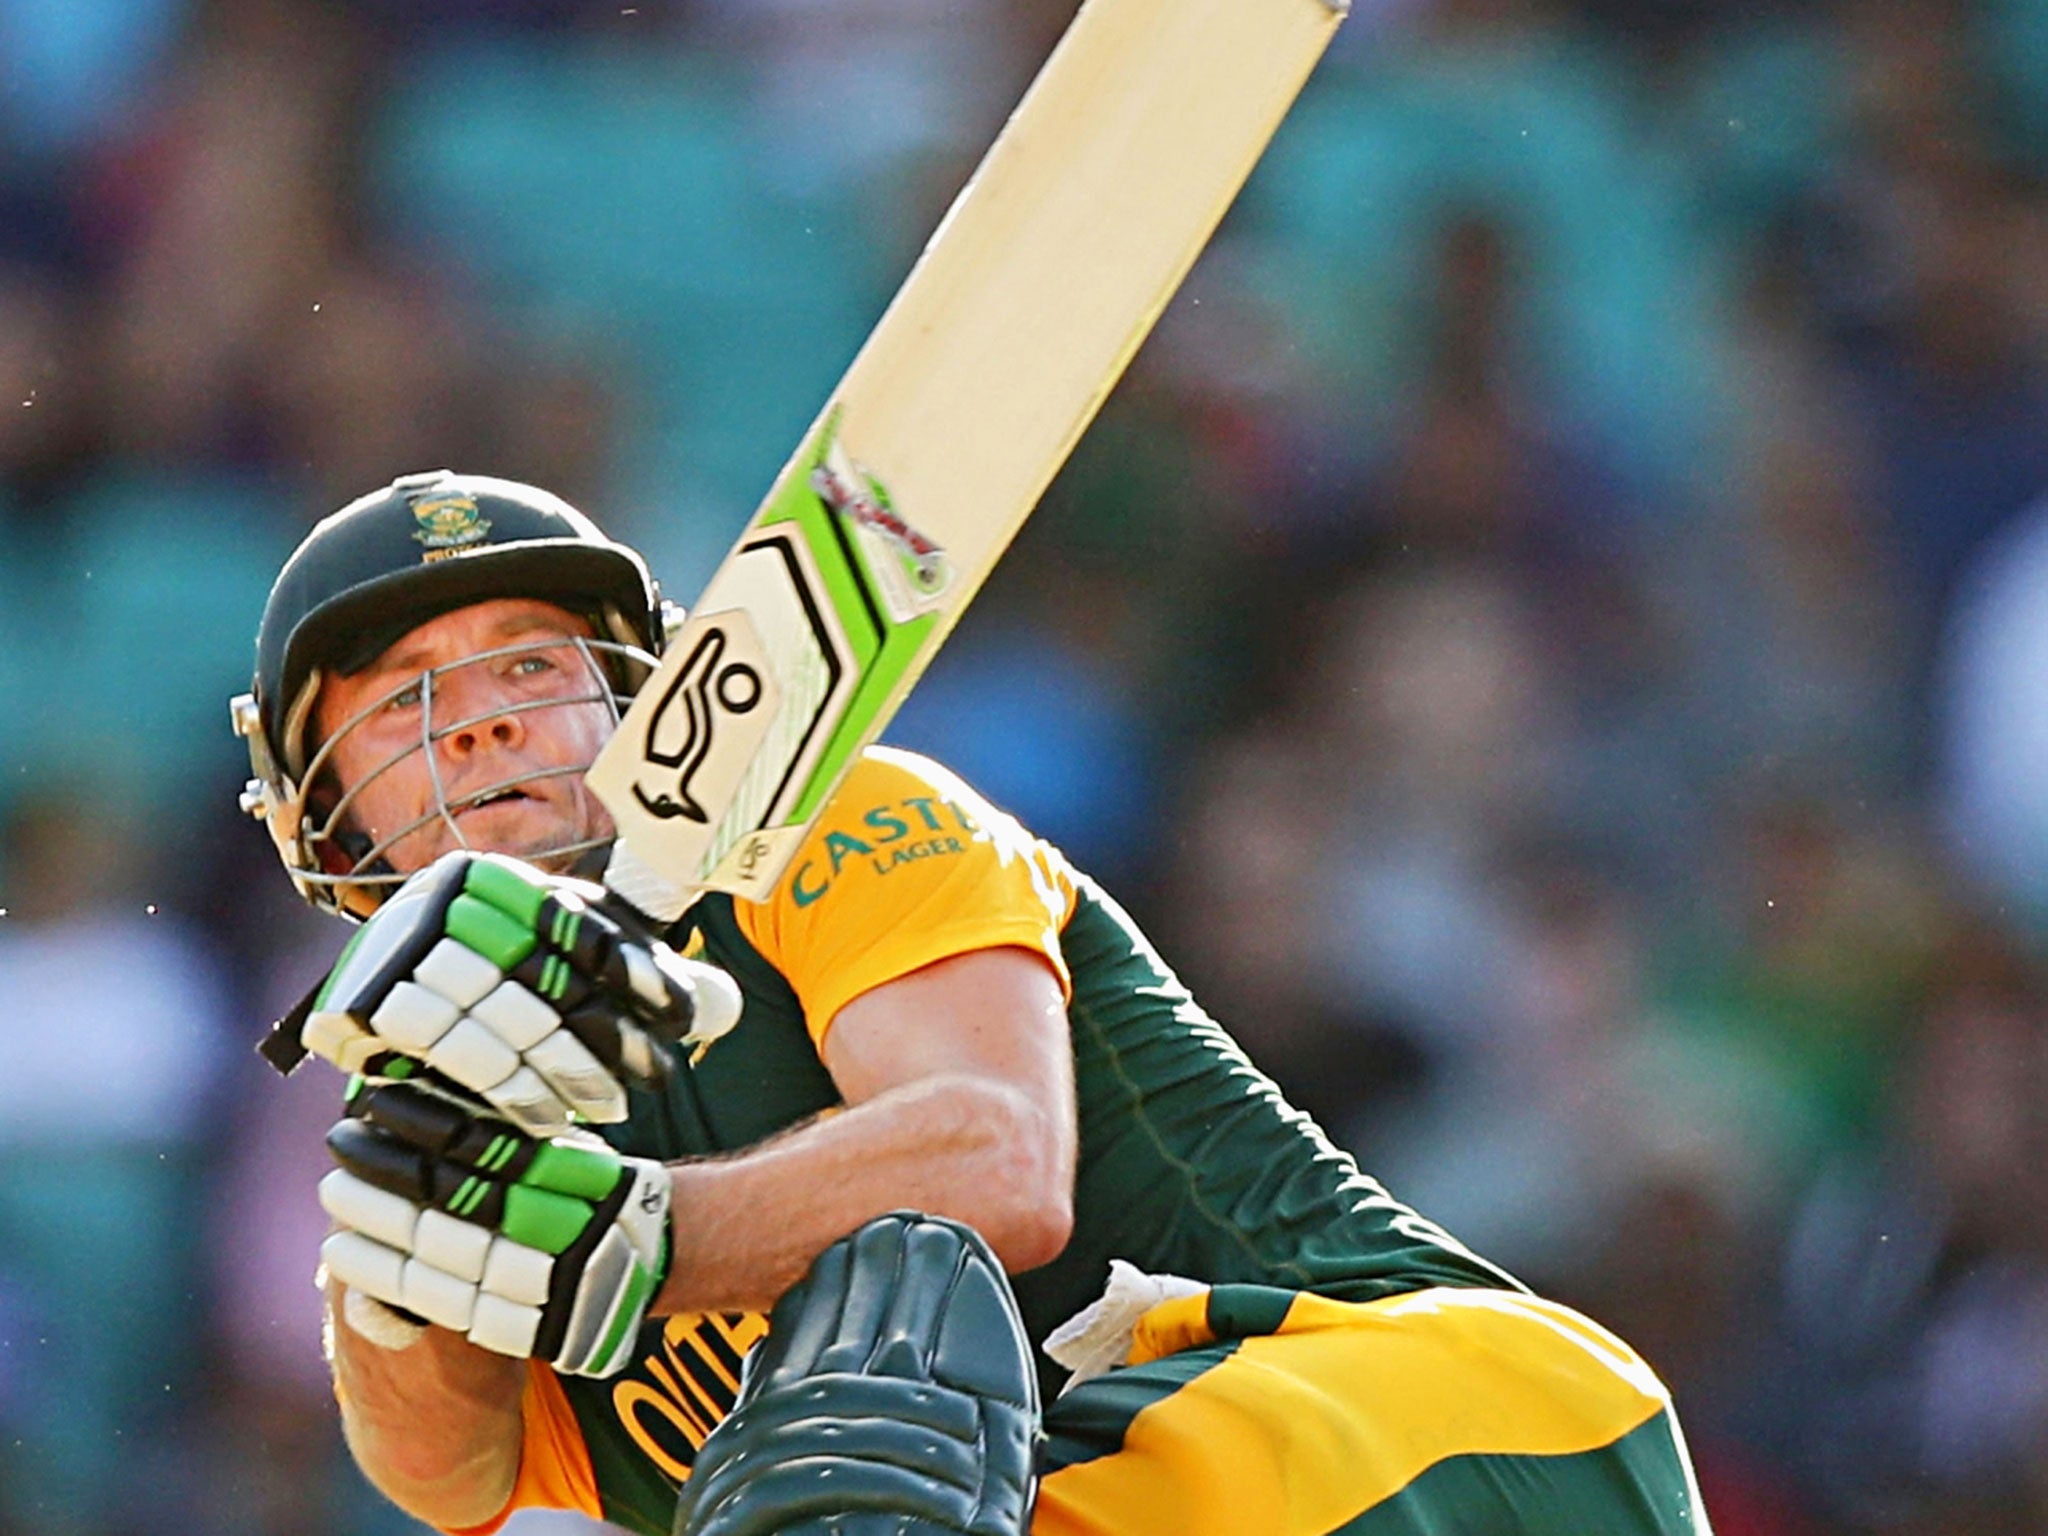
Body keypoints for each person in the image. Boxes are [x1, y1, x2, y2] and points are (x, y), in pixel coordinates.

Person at [234, 470, 1712, 1536]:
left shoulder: (819, 826)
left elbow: (994, 1164)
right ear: (323, 812)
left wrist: (637, 1242)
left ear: (637, 702)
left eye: (530, 662)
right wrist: (406, 1239)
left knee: (872, 1484)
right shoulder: (429, 1106)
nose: (481, 714)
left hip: (1433, 1441)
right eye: (399, 695)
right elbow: (446, 1474)